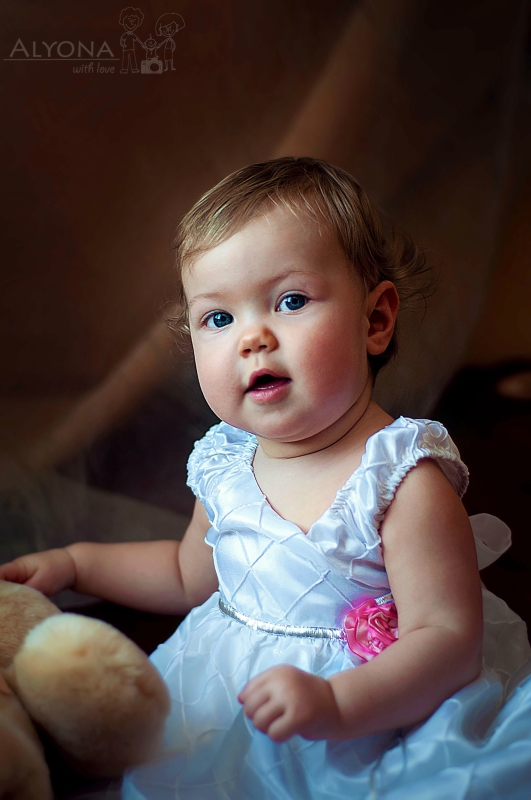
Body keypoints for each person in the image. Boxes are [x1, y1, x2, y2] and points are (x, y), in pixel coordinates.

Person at [2, 158, 531, 799]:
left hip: (367, 709)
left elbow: (446, 640)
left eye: (291, 301)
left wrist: (338, 702)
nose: (252, 338)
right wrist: (76, 564)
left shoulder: (400, 480)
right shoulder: (226, 464)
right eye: (218, 318)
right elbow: (185, 575)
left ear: (375, 321)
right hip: (224, 694)